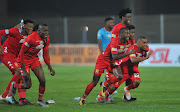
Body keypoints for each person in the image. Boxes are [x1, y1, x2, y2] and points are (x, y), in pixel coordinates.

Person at [79, 27, 134, 105]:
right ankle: (83, 98)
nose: (129, 35)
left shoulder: (128, 42)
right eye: (127, 33)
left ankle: (104, 85)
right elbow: (115, 56)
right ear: (121, 34)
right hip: (102, 61)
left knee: (119, 76)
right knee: (94, 82)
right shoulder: (115, 41)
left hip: (112, 62)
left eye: (129, 33)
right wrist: (128, 53)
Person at [10, 24, 55, 107]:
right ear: (39, 31)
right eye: (44, 31)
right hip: (23, 60)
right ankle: (15, 85)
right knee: (28, 85)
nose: (46, 32)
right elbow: (21, 53)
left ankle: (40, 101)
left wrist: (50, 67)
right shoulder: (31, 38)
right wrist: (23, 69)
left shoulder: (46, 39)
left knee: (43, 80)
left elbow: (45, 54)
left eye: (47, 30)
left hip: (34, 59)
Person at [104, 36, 153, 102]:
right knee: (114, 87)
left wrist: (146, 54)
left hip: (133, 68)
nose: (146, 44)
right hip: (124, 68)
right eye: (144, 43)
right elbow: (133, 60)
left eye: (146, 42)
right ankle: (106, 95)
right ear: (138, 43)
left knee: (137, 82)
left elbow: (143, 54)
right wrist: (146, 57)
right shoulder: (132, 48)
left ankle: (127, 89)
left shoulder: (145, 48)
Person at [0, 20, 34, 104]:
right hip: (6, 53)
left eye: (32, 27)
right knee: (18, 71)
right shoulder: (15, 30)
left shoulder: (30, 34)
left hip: (15, 56)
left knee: (21, 75)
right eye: (29, 27)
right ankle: (9, 96)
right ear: (24, 26)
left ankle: (4, 96)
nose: (31, 29)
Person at [96, 17, 116, 102]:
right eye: (111, 23)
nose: (112, 24)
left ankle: (105, 91)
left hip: (113, 56)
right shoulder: (101, 32)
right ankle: (105, 92)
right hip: (105, 57)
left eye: (113, 23)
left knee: (110, 74)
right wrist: (102, 54)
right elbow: (99, 44)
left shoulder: (114, 32)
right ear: (106, 23)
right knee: (108, 74)